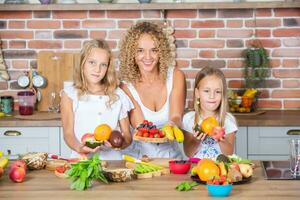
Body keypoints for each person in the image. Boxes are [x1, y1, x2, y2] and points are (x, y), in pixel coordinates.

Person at [119, 21, 186, 159]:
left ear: (161, 51)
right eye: (140, 50)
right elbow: (142, 128)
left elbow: (176, 117)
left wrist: (172, 124)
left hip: (172, 157)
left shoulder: (176, 76)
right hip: (139, 160)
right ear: (131, 53)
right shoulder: (126, 87)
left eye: (154, 50)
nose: (148, 57)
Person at [60, 39, 133, 160]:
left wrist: (119, 145)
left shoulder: (118, 95)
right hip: (81, 161)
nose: (97, 69)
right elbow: (68, 134)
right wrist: (79, 147)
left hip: (112, 162)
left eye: (103, 64)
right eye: (92, 62)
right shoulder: (70, 95)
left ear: (108, 68)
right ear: (82, 63)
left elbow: (128, 136)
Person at [182, 66, 238, 159]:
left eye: (218, 92)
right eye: (207, 91)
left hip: (220, 170)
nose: (212, 96)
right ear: (197, 93)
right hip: (196, 170)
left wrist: (220, 139)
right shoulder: (189, 119)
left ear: (222, 94)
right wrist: (196, 140)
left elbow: (229, 153)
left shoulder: (227, 120)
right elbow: (188, 153)